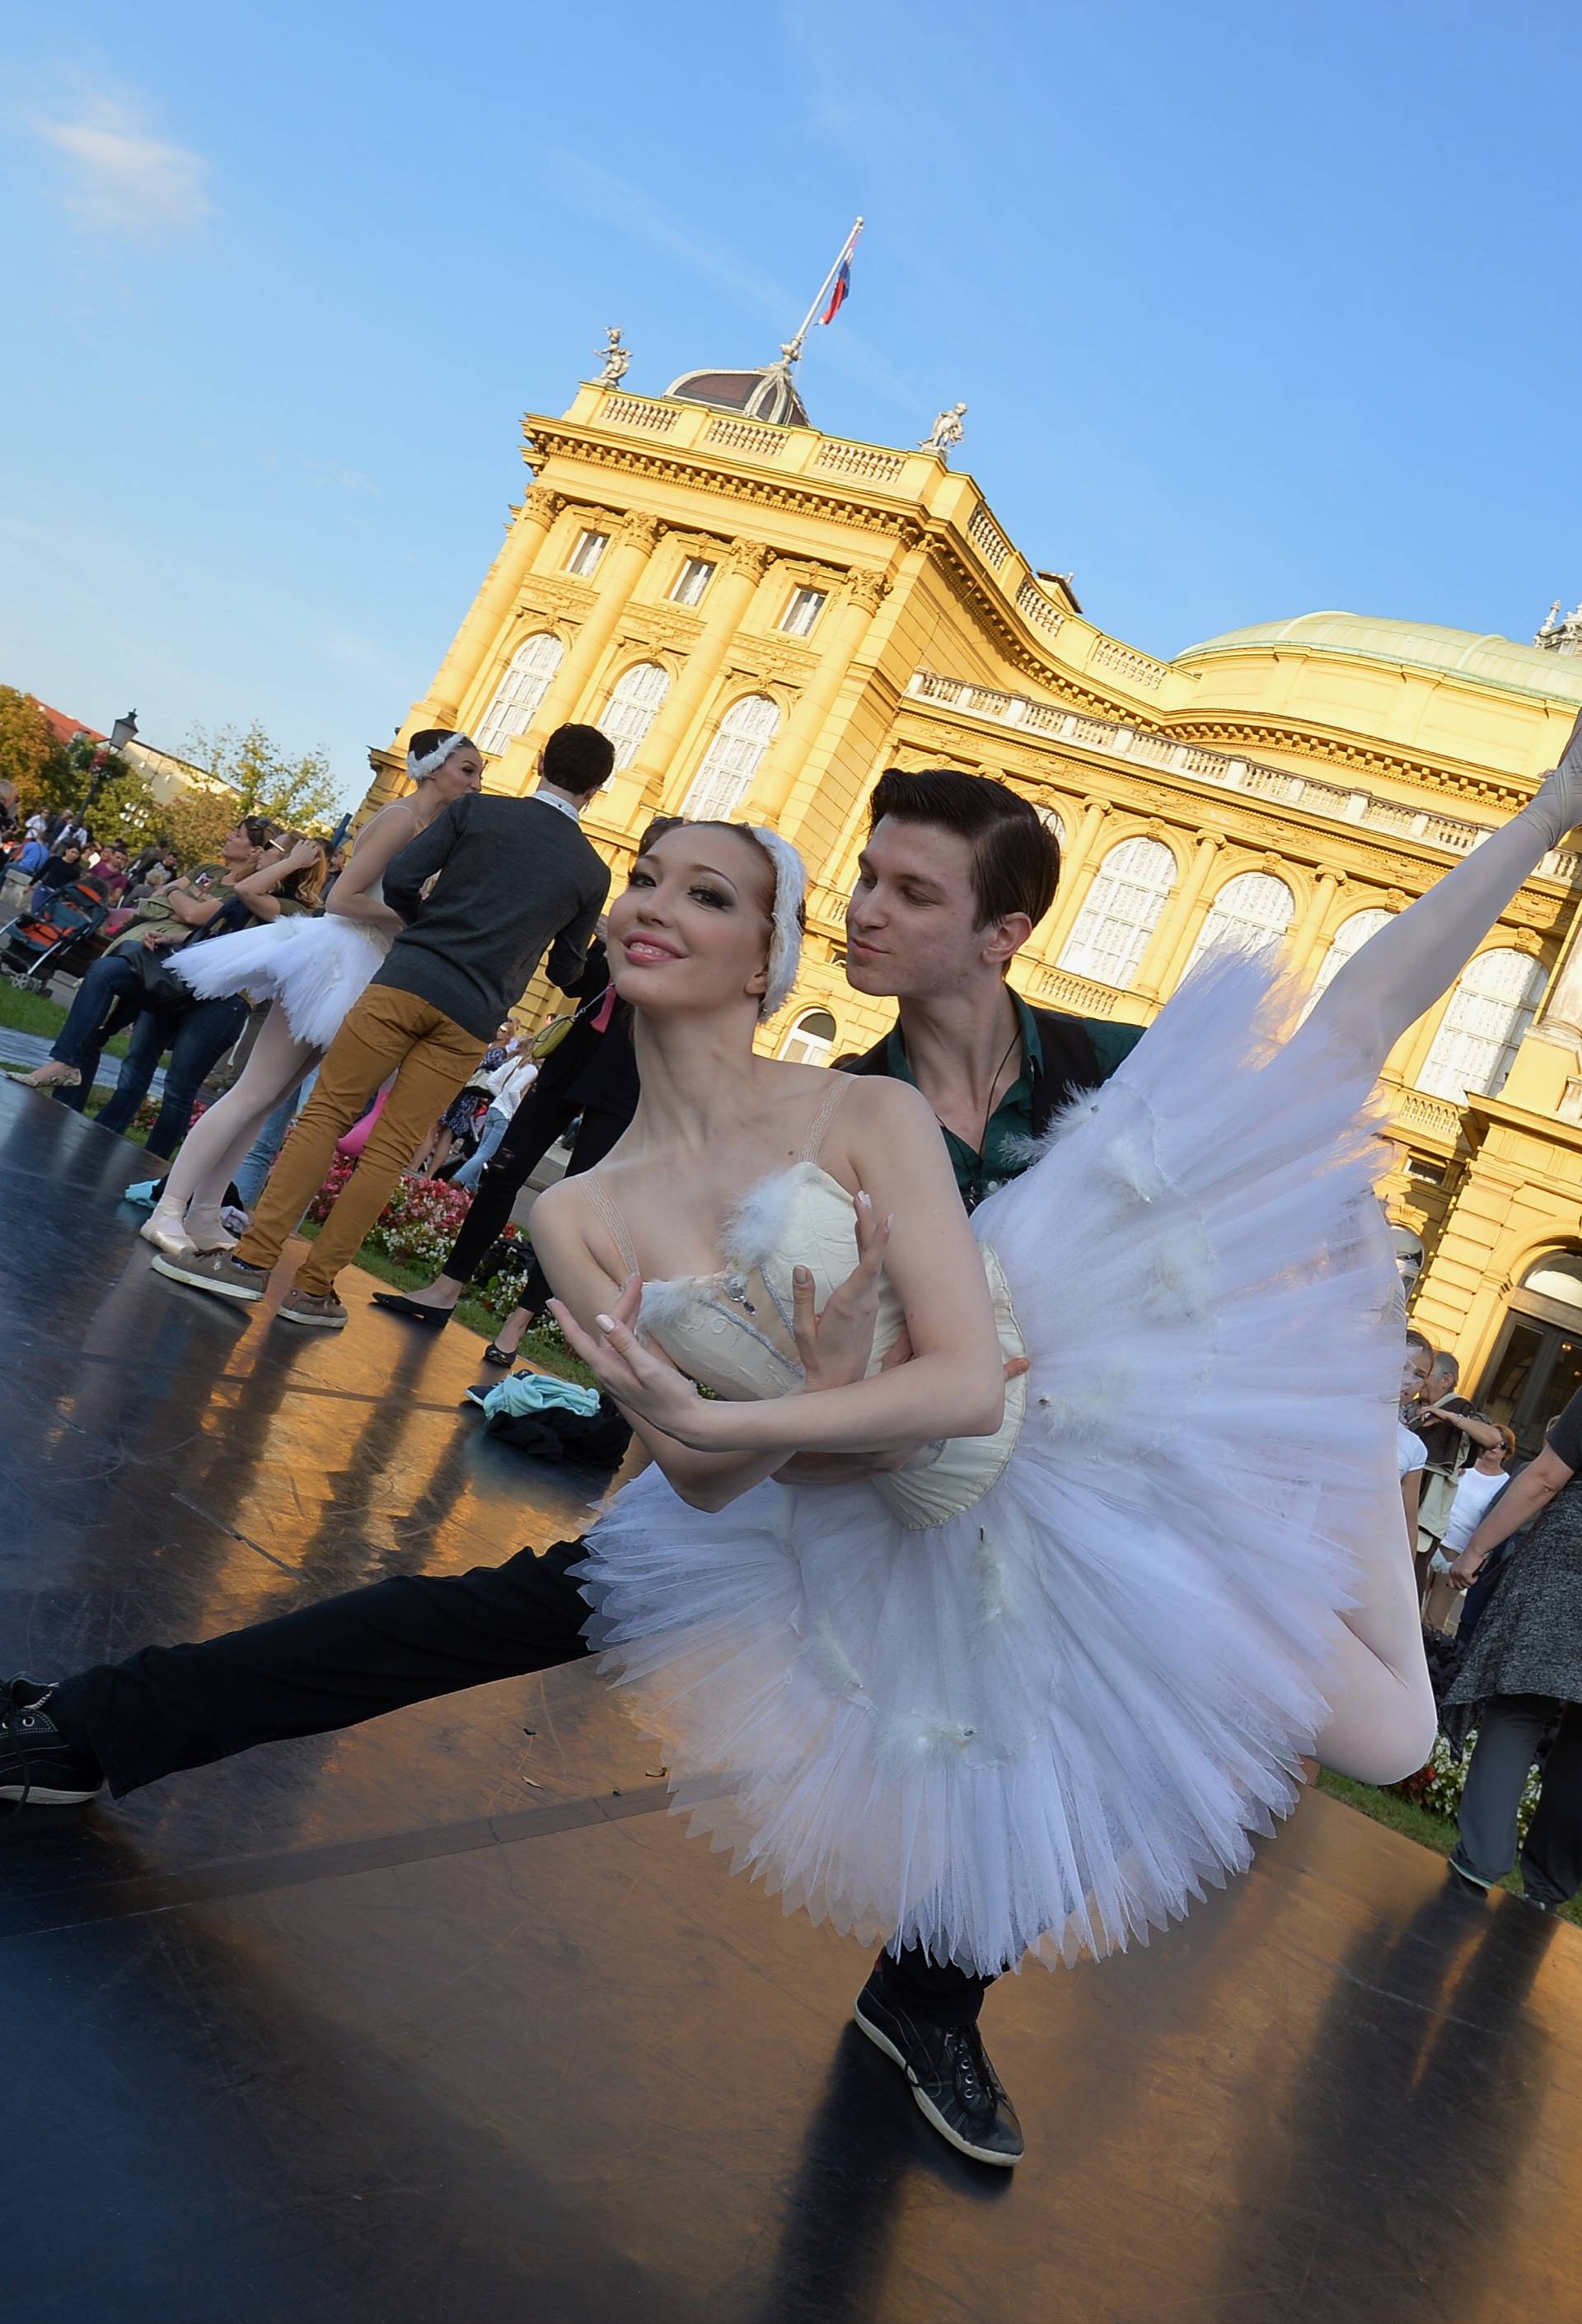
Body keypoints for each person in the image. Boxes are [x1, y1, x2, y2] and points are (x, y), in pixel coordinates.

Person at [12, 732, 1582, 2163]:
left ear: (1001, 932)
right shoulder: (842, 1110)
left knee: (1070, 1725)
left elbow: (1363, 1007)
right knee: (523, 1609)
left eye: (912, 890)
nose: (868, 915)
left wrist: (1552, 803)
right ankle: (101, 1722)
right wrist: (733, 1421)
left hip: (1065, 1469)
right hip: (842, 1473)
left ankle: (930, 2003)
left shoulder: (1091, 1068)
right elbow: (746, 1359)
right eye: (865, 883)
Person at [152, 723, 613, 1329]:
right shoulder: (592, 871)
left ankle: (252, 1262)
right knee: (392, 1150)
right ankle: (313, 1290)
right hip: (474, 1015)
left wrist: (427, 926)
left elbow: (401, 878)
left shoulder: (477, 812)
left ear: (542, 763)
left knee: (323, 1116)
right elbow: (567, 966)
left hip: (405, 981)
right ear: (597, 789)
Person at [140, 734, 484, 1262]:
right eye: (467, 770)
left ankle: (206, 1212)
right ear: (435, 769)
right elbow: (340, 899)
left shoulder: (432, 830)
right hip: (336, 957)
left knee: (271, 1101)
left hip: (366, 967)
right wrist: (420, 919)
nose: (475, 782)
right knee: (253, 1093)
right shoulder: (399, 820)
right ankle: (169, 1207)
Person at [370, 932, 639, 1350]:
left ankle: (515, 1327)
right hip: (571, 1057)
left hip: (624, 1073)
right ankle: (445, 1290)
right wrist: (579, 938)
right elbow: (570, 982)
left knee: (576, 1204)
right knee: (501, 1172)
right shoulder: (618, 935)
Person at [5, 819, 278, 1101]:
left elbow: (195, 916)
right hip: (139, 945)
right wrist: (177, 903)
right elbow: (157, 899)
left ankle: (66, 1074)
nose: (228, 836)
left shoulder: (244, 891)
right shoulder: (208, 871)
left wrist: (174, 895)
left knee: (125, 1034)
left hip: (167, 967)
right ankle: (63, 1099)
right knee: (94, 1028)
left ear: (254, 851)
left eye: (237, 835)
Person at [93, 835, 328, 1162]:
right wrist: (173, 937)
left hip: (223, 1002)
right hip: (185, 981)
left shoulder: (293, 908)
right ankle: (100, 1140)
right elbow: (220, 932)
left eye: (275, 846)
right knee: (136, 1065)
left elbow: (247, 894)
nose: (264, 849)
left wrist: (292, 862)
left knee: (178, 1088)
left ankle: (150, 1167)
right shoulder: (256, 885)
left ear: (291, 860)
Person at [1443, 1385, 1582, 1910]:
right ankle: (1547, 1892)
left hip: (1568, 1570)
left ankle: (1479, 1864)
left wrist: (1477, 1547)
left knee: (1520, 1706)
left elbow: (1546, 1477)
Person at [1421, 1424, 1514, 1633]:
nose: (1494, 1448)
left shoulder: (1505, 1483)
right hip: (1433, 1538)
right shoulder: (1463, 1465)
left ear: (1507, 1452)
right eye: (1490, 1442)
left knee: (1434, 1619)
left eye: (1501, 1445)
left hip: (1459, 1552)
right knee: (1409, 1603)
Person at [447, 1048, 539, 1192]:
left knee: (481, 1152)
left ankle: (471, 1187)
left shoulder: (516, 1061)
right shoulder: (532, 1069)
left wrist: (500, 1097)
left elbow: (492, 1081)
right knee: (486, 1153)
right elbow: (515, 1090)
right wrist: (515, 1111)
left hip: (494, 1109)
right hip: (505, 1115)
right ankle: (458, 1179)